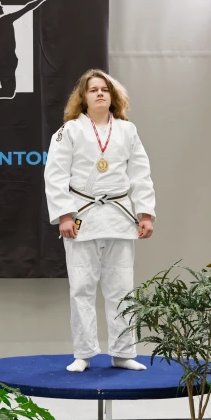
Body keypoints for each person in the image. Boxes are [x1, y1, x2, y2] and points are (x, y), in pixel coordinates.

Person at [43, 69, 155, 372]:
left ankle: (123, 353)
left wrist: (145, 213)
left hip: (119, 216)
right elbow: (55, 175)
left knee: (122, 289)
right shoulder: (69, 131)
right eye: (93, 90)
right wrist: (64, 214)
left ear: (113, 95)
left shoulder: (127, 131)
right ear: (83, 97)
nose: (100, 93)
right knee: (82, 288)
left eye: (105, 89)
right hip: (83, 215)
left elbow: (140, 174)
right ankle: (83, 353)